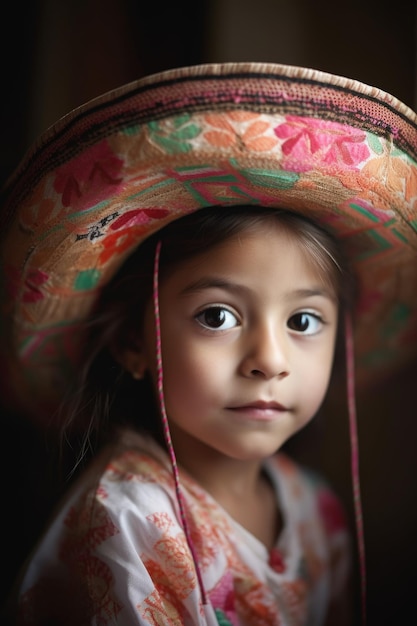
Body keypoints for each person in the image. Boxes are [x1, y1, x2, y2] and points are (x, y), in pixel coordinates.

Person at [1, 62, 416, 626]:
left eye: (304, 321)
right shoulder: (129, 522)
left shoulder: (314, 507)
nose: (269, 360)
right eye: (217, 316)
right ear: (133, 341)